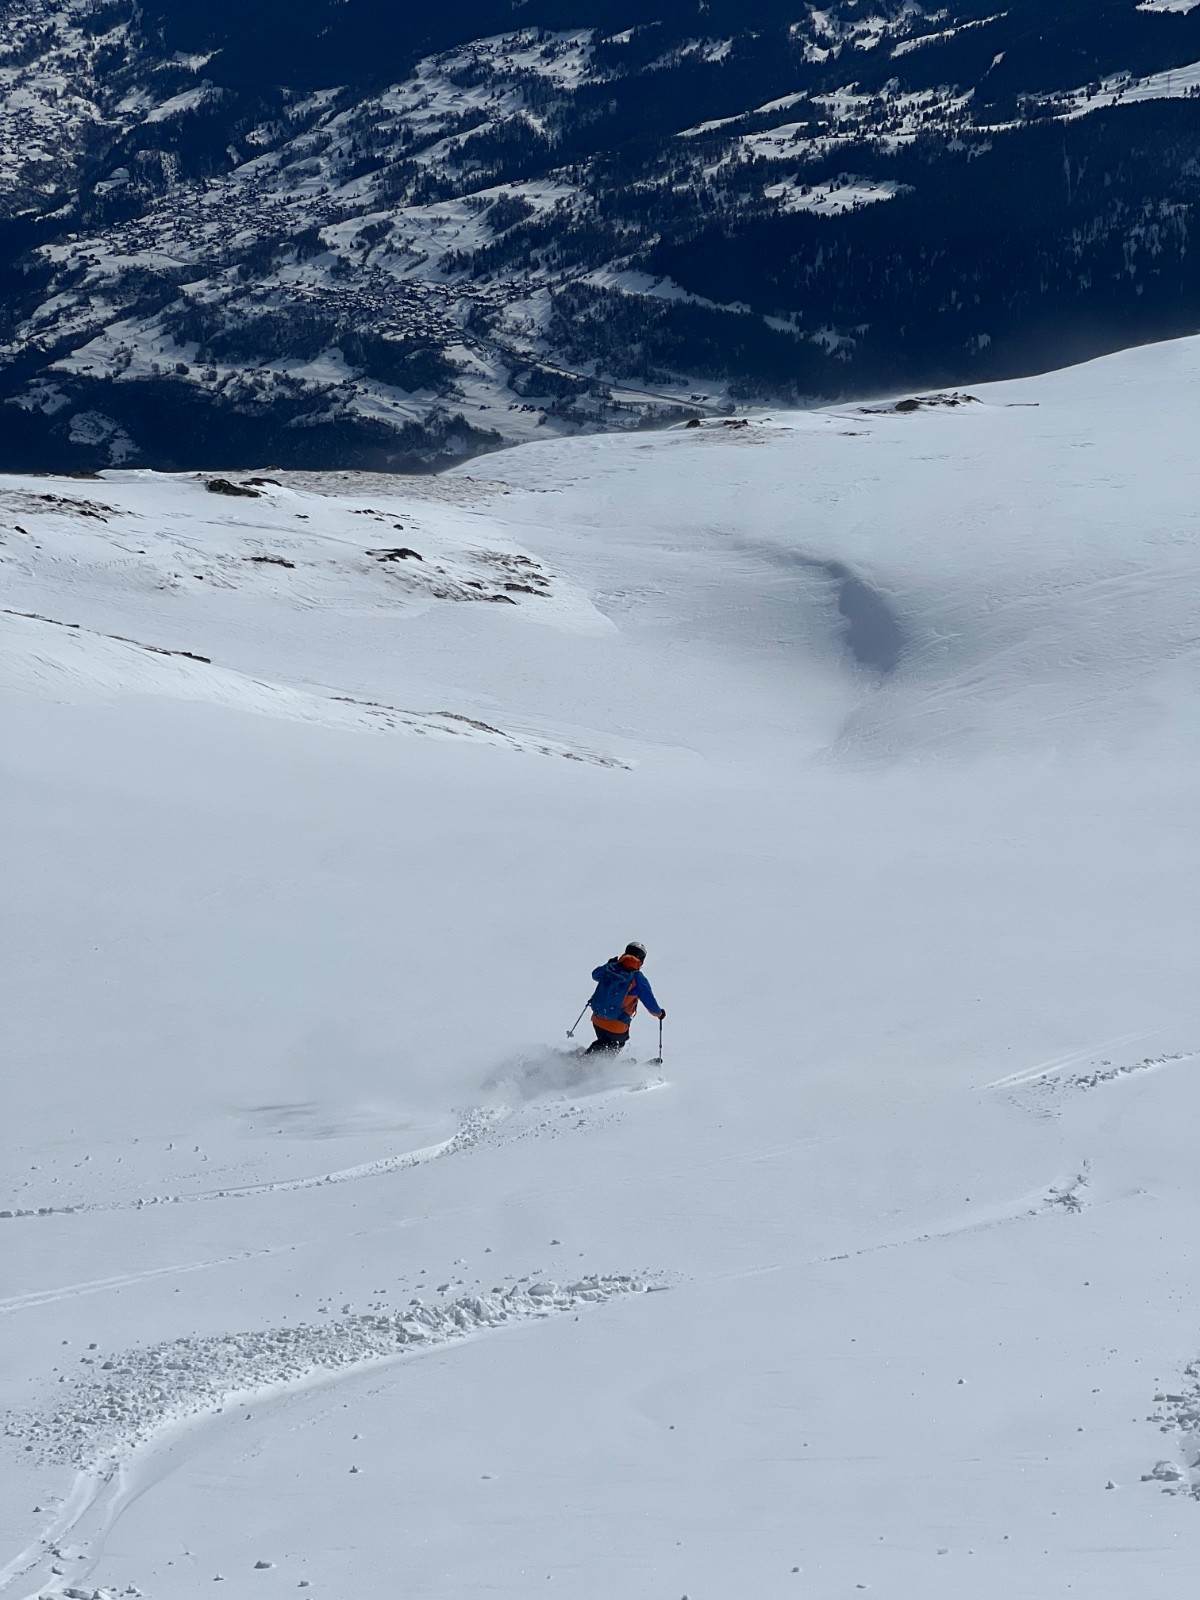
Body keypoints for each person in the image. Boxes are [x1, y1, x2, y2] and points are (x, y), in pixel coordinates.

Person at [585, 941, 665, 1053]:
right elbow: (650, 1003)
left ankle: (587, 1059)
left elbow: (595, 975)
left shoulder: (611, 967)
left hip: (597, 1019)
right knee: (612, 1048)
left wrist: (608, 965)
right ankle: (589, 1062)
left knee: (604, 1044)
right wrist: (659, 1014)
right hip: (617, 1026)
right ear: (641, 960)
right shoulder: (638, 979)